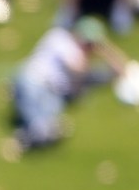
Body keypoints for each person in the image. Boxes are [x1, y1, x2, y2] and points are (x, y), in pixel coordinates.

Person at [9, 15, 130, 152]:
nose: (88, 47)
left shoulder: (84, 57)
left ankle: (34, 134)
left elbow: (122, 69)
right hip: (33, 81)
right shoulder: (59, 38)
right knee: (40, 118)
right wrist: (93, 53)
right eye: (87, 43)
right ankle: (33, 135)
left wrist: (104, 49)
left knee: (48, 119)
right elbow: (77, 69)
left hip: (54, 93)